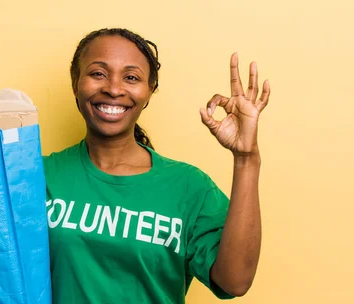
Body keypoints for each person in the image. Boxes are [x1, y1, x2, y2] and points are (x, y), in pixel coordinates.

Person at [43, 28, 270, 304]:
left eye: (131, 78)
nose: (114, 89)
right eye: (98, 73)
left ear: (149, 92)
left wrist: (247, 158)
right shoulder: (38, 176)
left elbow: (234, 281)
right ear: (75, 83)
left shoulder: (189, 187)